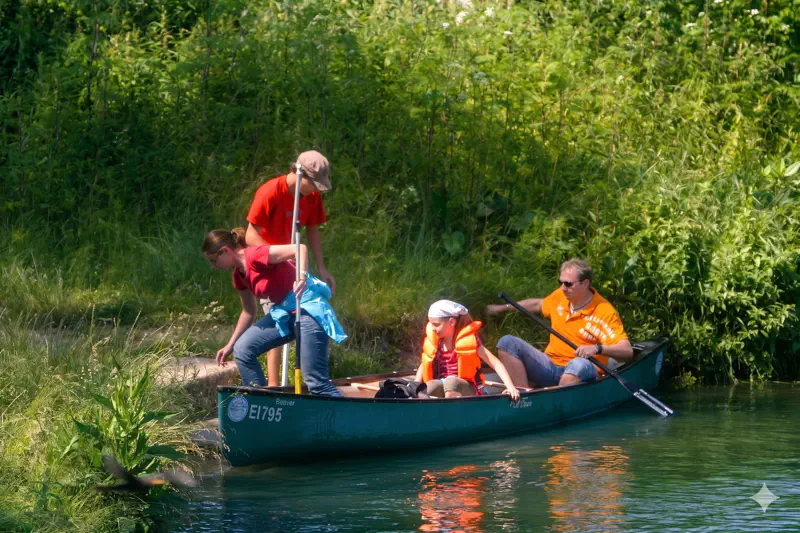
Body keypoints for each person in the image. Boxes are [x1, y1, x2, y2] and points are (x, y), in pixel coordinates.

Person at [202, 227, 345, 396]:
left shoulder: (255, 255)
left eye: (213, 260)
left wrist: (301, 276)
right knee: (242, 350)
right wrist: (230, 345)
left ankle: (346, 416)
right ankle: (261, 402)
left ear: (224, 251)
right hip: (283, 315)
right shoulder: (238, 276)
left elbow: (300, 249)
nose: (213, 266)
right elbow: (248, 311)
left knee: (316, 382)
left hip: (306, 308)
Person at [245, 150, 336, 386]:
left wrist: (322, 267)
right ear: (299, 174)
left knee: (302, 317)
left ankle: (306, 383)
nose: (316, 190)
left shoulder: (312, 197)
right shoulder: (269, 192)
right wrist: (281, 258)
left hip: (296, 266)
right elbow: (251, 236)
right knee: (277, 323)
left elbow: (313, 230)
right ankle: (274, 387)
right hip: (272, 267)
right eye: (313, 184)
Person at [485, 258, 633, 388]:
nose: (563, 288)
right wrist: (501, 308)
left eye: (568, 284)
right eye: (560, 282)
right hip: (550, 366)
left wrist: (596, 348)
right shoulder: (560, 296)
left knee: (579, 363)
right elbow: (537, 305)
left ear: (585, 283)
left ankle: (555, 398)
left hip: (582, 371)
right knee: (507, 343)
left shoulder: (604, 311)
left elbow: (627, 351)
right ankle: (523, 397)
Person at [414, 300, 520, 401]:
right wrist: (415, 386)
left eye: (436, 324)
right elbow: (424, 363)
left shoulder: (470, 341)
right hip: (445, 384)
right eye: (431, 323)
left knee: (451, 383)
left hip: (469, 387)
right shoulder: (437, 342)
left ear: (451, 322)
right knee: (429, 386)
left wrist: (510, 387)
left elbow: (495, 363)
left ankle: (453, 414)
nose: (432, 328)